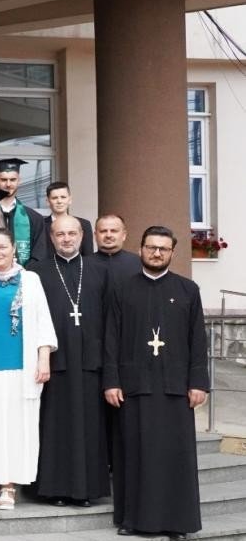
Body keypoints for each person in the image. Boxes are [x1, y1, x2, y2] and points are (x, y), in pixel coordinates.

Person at [104, 226, 208, 539]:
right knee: (135, 455)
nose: (157, 253)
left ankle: (178, 522)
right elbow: (111, 338)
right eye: (151, 247)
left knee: (175, 456)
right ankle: (133, 519)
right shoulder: (122, 288)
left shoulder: (188, 290)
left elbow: (198, 340)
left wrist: (198, 382)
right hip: (134, 387)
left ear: (172, 252)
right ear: (141, 249)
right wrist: (111, 380)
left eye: (163, 248)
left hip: (176, 387)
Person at [0, 228, 57, 511]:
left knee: (15, 426)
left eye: (2, 247)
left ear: (13, 249)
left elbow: (43, 320)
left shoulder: (30, 281)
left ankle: (9, 486)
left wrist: (43, 358)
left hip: (20, 368)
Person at [30, 215, 110, 507]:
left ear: (81, 236)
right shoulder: (37, 272)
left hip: (90, 361)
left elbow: (111, 319)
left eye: (72, 233)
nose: (66, 238)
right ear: (51, 238)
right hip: (53, 363)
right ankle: (54, 489)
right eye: (60, 234)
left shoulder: (99, 270)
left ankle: (86, 490)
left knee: (89, 426)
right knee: (54, 426)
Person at [0, 158, 46, 266]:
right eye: (4, 180)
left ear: (19, 180)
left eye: (13, 179)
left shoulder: (34, 218)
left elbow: (39, 254)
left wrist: (23, 274)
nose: (8, 184)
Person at [43, 181, 93, 256]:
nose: (59, 201)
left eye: (63, 197)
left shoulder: (84, 224)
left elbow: (88, 256)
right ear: (48, 201)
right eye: (54, 198)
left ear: (70, 200)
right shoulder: (41, 225)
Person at [94, 214, 142, 281]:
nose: (108, 235)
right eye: (103, 231)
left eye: (114, 231)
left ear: (124, 235)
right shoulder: (83, 265)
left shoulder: (139, 263)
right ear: (95, 236)